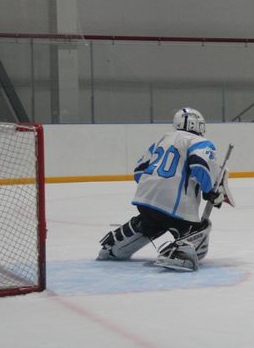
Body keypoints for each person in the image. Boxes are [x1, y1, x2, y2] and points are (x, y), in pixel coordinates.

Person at [97, 107, 233, 271]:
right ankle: (181, 253)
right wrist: (209, 190)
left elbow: (139, 172)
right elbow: (200, 166)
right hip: (174, 204)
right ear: (194, 125)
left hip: (144, 199)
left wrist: (155, 187)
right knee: (200, 227)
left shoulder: (162, 140)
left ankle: (113, 247)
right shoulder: (201, 142)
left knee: (151, 222)